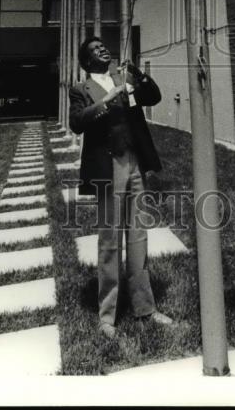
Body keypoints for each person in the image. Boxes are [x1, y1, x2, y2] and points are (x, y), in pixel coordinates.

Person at [69, 36, 174, 338]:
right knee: (110, 240)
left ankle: (145, 309)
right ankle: (107, 316)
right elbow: (77, 122)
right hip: (107, 167)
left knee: (138, 237)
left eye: (104, 45)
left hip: (134, 163)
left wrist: (138, 75)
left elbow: (153, 96)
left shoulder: (125, 76)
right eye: (94, 49)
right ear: (87, 62)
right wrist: (106, 100)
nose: (103, 48)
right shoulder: (81, 89)